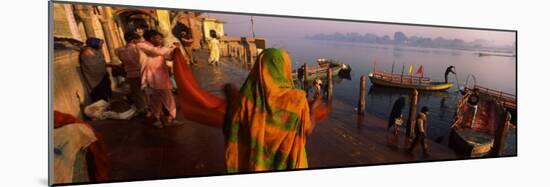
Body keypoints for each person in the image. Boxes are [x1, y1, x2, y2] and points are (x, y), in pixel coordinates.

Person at [170, 48, 331, 172]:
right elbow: (307, 129)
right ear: (286, 69)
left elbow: (228, 118)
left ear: (258, 68)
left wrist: (230, 93)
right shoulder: (297, 100)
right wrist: (312, 109)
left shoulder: (244, 102)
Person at [136, 29, 182, 128]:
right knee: (154, 100)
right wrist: (171, 46)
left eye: (161, 39)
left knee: (168, 99)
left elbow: (168, 56)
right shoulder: (142, 45)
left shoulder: (158, 47)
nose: (160, 41)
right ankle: (157, 120)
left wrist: (175, 52)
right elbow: (157, 52)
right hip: (150, 78)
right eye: (159, 39)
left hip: (162, 78)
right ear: (151, 38)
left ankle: (170, 119)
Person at [115, 32, 147, 114]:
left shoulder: (120, 50)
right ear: (133, 40)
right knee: (146, 91)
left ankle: (142, 108)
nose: (140, 41)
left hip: (130, 74)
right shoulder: (138, 48)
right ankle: (149, 108)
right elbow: (143, 61)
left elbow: (122, 61)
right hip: (141, 72)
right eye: (138, 39)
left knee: (137, 92)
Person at [79, 37, 112, 102]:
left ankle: (107, 100)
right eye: (100, 44)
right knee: (99, 92)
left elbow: (101, 61)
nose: (101, 46)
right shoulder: (87, 51)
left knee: (105, 88)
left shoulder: (96, 50)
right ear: (94, 43)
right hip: (95, 78)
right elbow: (93, 65)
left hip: (103, 75)